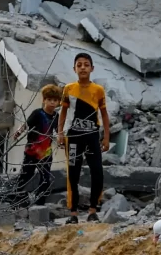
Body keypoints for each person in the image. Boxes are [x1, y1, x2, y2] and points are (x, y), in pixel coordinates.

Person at [58, 53, 110, 223]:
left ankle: (93, 210)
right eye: (79, 65)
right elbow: (63, 113)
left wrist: (106, 138)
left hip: (92, 138)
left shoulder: (98, 90)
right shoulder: (69, 89)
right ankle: (73, 214)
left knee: (97, 173)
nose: (82, 68)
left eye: (86, 65)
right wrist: (60, 133)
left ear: (92, 68)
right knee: (73, 174)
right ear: (74, 69)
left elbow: (104, 114)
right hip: (73, 138)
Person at [11, 84, 62, 206]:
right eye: (49, 99)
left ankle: (40, 204)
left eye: (55, 100)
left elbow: (58, 131)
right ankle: (15, 199)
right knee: (25, 176)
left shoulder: (56, 116)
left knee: (45, 179)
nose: (52, 103)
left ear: (58, 102)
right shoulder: (37, 113)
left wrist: (62, 141)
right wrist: (18, 132)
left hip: (46, 152)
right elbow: (25, 125)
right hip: (32, 151)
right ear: (44, 100)